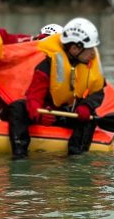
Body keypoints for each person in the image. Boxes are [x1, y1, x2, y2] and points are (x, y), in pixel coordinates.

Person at [6, 17, 107, 158]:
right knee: (17, 107)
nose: (93, 53)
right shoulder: (48, 64)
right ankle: (19, 154)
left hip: (70, 112)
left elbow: (98, 92)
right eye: (89, 49)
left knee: (90, 117)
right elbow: (35, 93)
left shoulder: (91, 63)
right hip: (47, 111)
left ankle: (76, 156)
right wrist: (39, 111)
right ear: (74, 48)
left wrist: (86, 106)